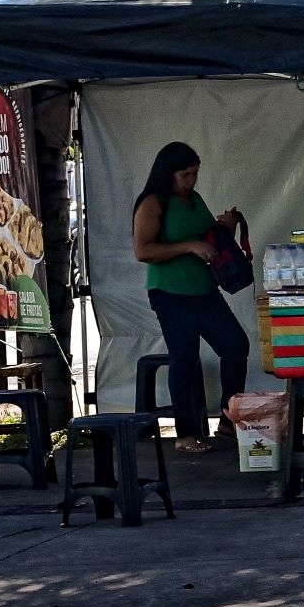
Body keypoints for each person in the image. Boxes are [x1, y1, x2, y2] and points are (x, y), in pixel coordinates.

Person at [132, 140, 249, 451]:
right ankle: (184, 434)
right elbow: (143, 250)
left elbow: (207, 238)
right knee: (184, 357)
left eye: (195, 174)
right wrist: (188, 246)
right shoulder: (153, 203)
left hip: (203, 289)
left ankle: (228, 419)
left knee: (236, 345)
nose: (191, 180)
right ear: (168, 173)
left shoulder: (194, 199)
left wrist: (225, 228)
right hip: (170, 292)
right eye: (185, 175)